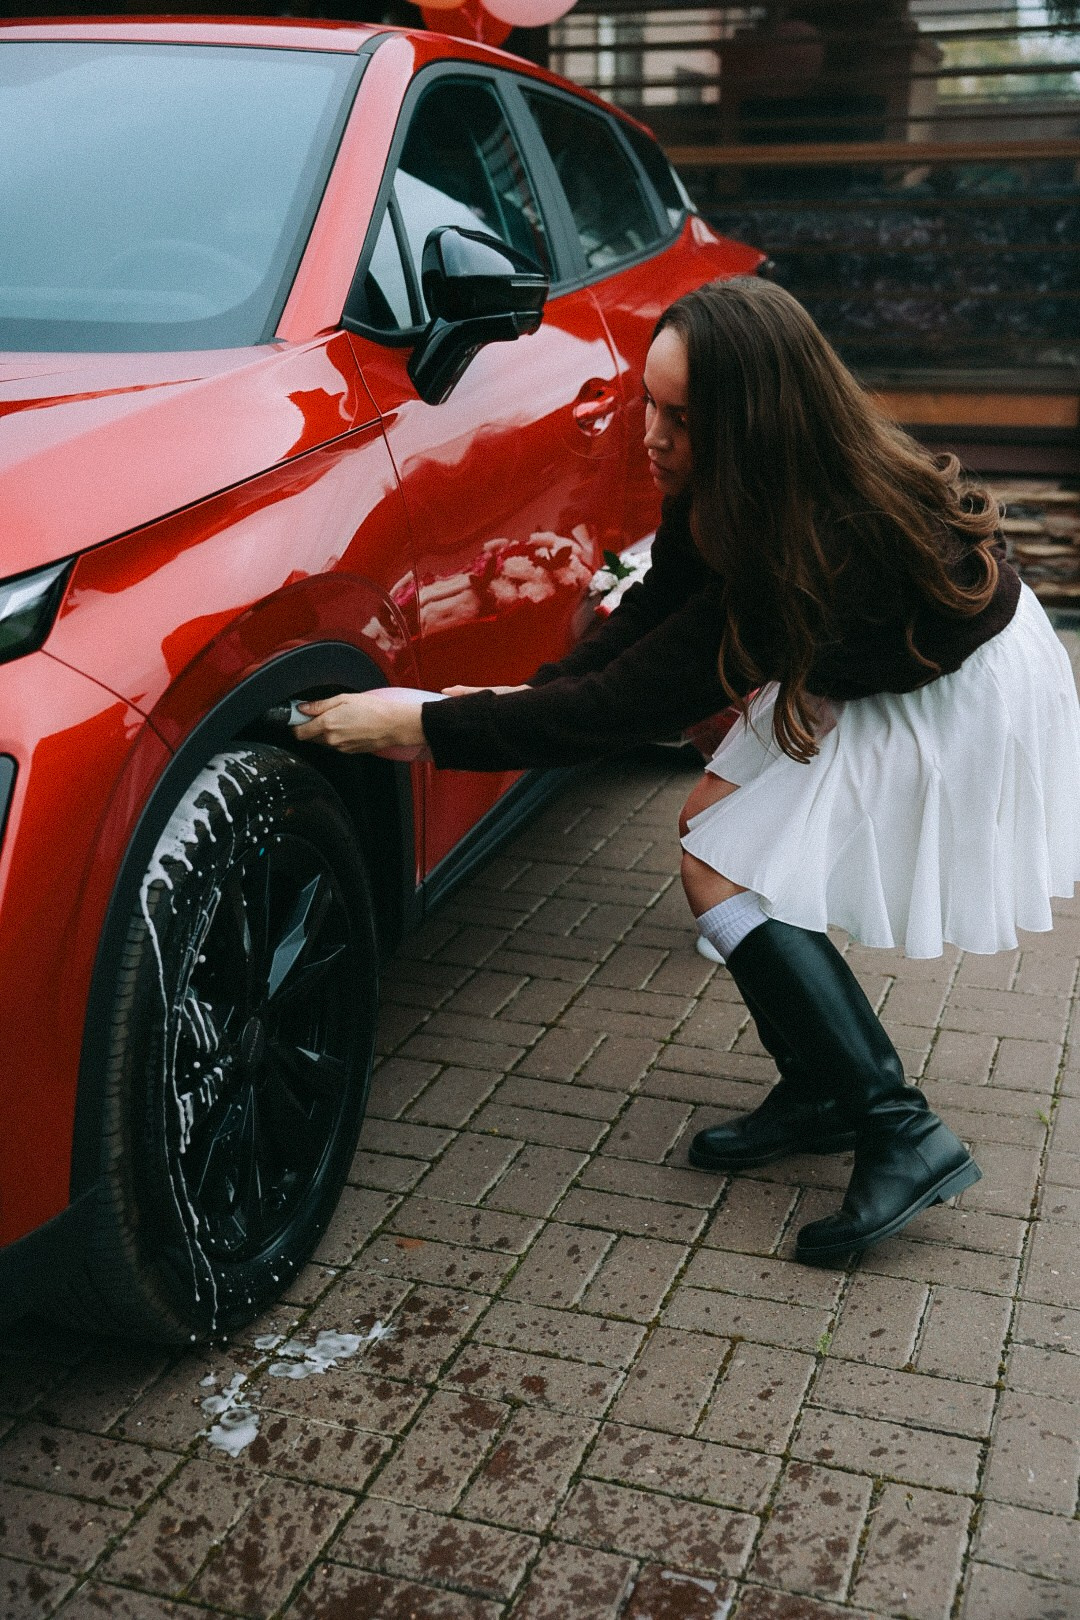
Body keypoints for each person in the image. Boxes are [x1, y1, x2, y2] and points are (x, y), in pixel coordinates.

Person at [294, 275, 1080, 1267]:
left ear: (750, 424)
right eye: (650, 406)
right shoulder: (738, 491)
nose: (652, 438)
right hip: (872, 650)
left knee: (722, 861)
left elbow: (623, 708)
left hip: (956, 681)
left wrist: (430, 724)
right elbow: (647, 619)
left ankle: (899, 1128)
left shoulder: (802, 541)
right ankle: (824, 1092)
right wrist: (510, 698)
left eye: (682, 419)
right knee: (712, 836)